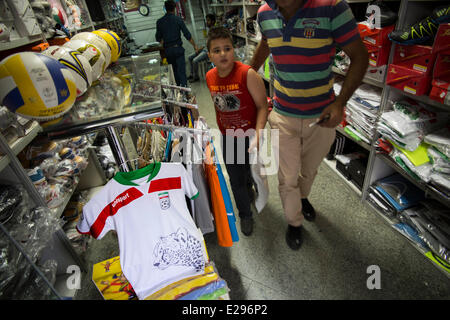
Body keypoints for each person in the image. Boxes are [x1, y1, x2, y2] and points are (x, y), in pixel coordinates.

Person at [250, 0, 369, 250]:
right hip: (283, 114)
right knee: (287, 176)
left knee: (310, 170)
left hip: (322, 117)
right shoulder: (264, 13)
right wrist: (247, 74)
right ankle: (294, 222)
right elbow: (266, 43)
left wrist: (340, 103)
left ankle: (303, 198)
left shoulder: (332, 7)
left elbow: (360, 57)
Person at [205, 27, 269, 236]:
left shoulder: (247, 74)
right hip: (228, 137)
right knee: (235, 178)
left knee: (250, 171)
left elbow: (262, 106)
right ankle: (245, 215)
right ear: (209, 56)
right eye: (217, 50)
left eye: (227, 48)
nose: (223, 54)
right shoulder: (209, 77)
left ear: (234, 50)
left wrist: (259, 133)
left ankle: (251, 187)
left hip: (250, 134)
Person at [155, 0, 200, 87]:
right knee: (182, 71)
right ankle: (185, 91)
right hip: (178, 49)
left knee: (174, 72)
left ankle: (179, 91)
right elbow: (187, 34)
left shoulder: (159, 22)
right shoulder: (178, 19)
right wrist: (194, 45)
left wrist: (164, 41)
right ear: (174, 8)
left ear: (165, 9)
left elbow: (158, 38)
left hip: (168, 51)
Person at [188, 13, 217, 82]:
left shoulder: (214, 31)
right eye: (206, 20)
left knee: (194, 60)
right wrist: (200, 48)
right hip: (204, 49)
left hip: (208, 51)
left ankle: (196, 77)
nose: (207, 22)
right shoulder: (209, 30)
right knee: (189, 57)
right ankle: (192, 74)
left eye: (208, 20)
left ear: (213, 21)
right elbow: (207, 43)